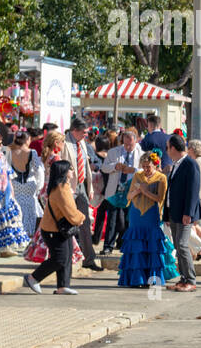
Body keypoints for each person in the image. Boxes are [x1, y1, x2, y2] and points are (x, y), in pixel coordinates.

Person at [21, 160, 85, 296]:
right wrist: (81, 218)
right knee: (60, 258)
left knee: (66, 257)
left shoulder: (62, 186)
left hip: (59, 229)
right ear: (64, 172)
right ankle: (34, 277)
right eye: (71, 169)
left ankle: (63, 286)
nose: (73, 171)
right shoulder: (61, 189)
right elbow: (70, 212)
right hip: (53, 231)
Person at [117, 152, 178, 287]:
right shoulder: (138, 176)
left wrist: (145, 191)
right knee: (136, 246)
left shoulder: (161, 178)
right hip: (136, 214)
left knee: (152, 246)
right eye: (143, 166)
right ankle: (136, 279)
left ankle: (152, 279)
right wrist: (137, 192)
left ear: (155, 165)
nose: (145, 169)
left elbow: (160, 198)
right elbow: (128, 197)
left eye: (148, 167)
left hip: (151, 214)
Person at [61, 119, 102, 271]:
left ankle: (89, 259)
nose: (86, 135)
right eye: (84, 132)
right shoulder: (64, 143)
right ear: (75, 131)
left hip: (82, 186)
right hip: (68, 187)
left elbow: (86, 165)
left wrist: (89, 187)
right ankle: (65, 258)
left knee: (85, 222)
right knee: (66, 222)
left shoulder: (82, 143)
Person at [163, 135, 201, 292]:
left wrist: (189, 213)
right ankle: (184, 278)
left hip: (184, 213)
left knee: (182, 244)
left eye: (167, 147)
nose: (166, 151)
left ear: (173, 148)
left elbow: (193, 191)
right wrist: (167, 214)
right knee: (178, 246)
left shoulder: (190, 164)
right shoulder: (176, 164)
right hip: (174, 211)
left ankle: (191, 280)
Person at [98, 128, 139, 254]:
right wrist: (115, 167)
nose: (127, 147)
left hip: (131, 189)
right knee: (112, 218)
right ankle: (108, 246)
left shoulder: (141, 153)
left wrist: (134, 170)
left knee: (128, 219)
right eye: (125, 144)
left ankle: (126, 245)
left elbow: (147, 170)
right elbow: (104, 168)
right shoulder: (113, 152)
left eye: (130, 144)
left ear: (135, 142)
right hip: (115, 189)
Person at [7, 131, 44, 239]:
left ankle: (16, 232)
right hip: (29, 184)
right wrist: (39, 186)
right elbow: (39, 170)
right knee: (30, 209)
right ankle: (28, 232)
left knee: (16, 207)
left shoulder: (9, 151)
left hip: (15, 184)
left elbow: (6, 170)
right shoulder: (32, 152)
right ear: (27, 140)